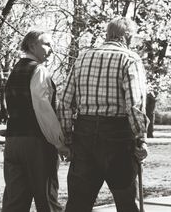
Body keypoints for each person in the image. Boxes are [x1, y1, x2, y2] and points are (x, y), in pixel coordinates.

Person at [59, 17, 149, 212]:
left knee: (78, 204)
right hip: (118, 137)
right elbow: (135, 104)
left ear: (108, 34)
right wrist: (141, 139)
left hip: (84, 133)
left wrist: (67, 137)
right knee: (126, 203)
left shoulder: (83, 57)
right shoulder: (130, 58)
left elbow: (65, 101)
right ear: (127, 36)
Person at [2, 30, 70, 212]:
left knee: (14, 202)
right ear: (32, 45)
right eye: (47, 44)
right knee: (47, 200)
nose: (51, 49)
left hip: (12, 142)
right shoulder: (38, 70)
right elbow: (43, 109)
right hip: (36, 143)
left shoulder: (15, 70)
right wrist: (59, 142)